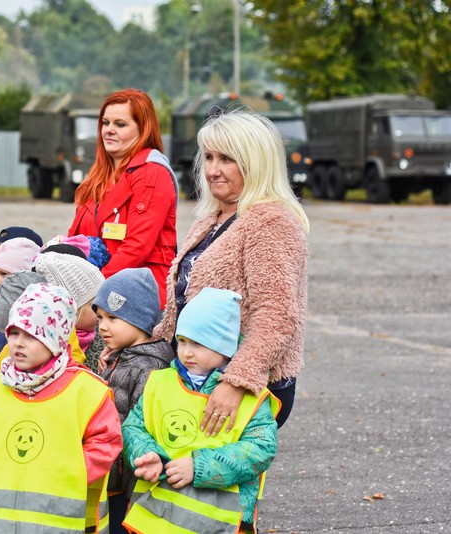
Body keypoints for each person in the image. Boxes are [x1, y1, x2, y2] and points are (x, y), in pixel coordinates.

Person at [153, 111, 310, 434]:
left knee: (215, 480)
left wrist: (236, 382)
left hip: (245, 384)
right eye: (209, 157)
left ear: (255, 163)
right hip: (198, 374)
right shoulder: (210, 218)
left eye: (227, 159)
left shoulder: (271, 222)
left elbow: (277, 315)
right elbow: (183, 301)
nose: (212, 170)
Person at [0, 283, 123, 534]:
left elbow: (106, 442)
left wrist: (67, 472)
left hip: (56, 521)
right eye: (14, 333)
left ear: (55, 340)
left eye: (31, 335)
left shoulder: (86, 391)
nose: (18, 343)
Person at [123, 288, 279, 533]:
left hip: (221, 521)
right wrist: (147, 454)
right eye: (182, 341)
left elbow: (260, 450)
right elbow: (134, 426)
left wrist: (200, 467)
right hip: (157, 517)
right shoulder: (160, 382)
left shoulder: (250, 398)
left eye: (198, 343)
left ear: (225, 347)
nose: (186, 352)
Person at [68, 88, 178, 306]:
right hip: (95, 295)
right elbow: (75, 238)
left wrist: (94, 289)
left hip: (138, 297)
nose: (109, 130)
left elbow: (137, 247)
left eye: (120, 124)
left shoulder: (152, 173)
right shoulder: (97, 175)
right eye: (105, 123)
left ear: (143, 129)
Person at [91, 268, 175, 532]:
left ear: (139, 320)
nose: (103, 326)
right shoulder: (122, 356)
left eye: (113, 317)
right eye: (100, 317)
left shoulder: (150, 367)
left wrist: (135, 497)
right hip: (111, 478)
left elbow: (143, 432)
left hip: (128, 484)